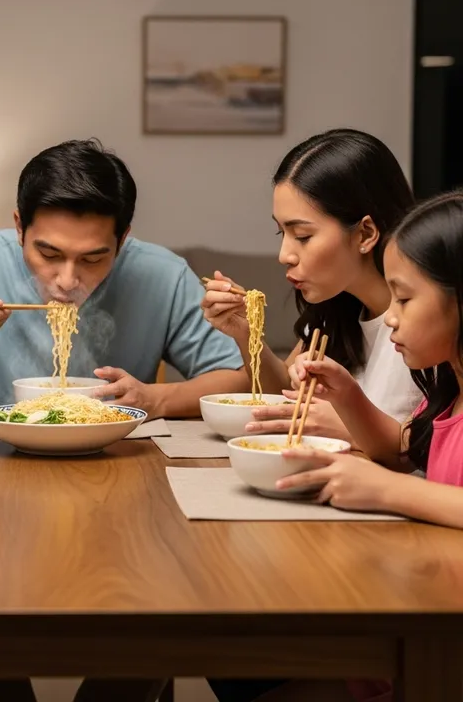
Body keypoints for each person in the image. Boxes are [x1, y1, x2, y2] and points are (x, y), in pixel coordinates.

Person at [202, 129, 421, 702]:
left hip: (392, 557)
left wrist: (348, 427)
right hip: (332, 531)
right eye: (281, 234)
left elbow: (423, 451)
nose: (284, 255)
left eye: (302, 234)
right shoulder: (336, 312)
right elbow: (290, 400)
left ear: (367, 232)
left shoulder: (423, 330)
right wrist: (247, 335)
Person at [220, 191, 463, 702]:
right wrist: (349, 396)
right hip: (420, 613)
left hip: (439, 654)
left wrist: (387, 490)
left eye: (405, 299)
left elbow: (394, 475)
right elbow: (400, 449)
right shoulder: (446, 392)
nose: (390, 317)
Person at [0, 138, 247, 418]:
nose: (68, 280)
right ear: (19, 227)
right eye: (49, 254)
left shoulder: (162, 274)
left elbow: (236, 379)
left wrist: (156, 398)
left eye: (93, 258)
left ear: (122, 240)